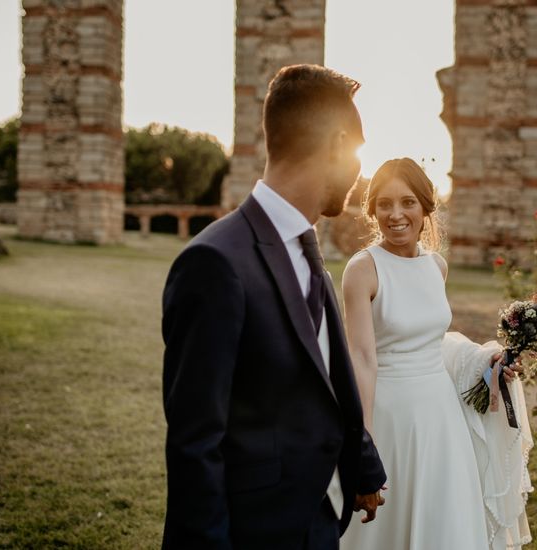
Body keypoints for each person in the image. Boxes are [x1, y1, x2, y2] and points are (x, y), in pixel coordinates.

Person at [161, 64, 385, 550]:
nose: (358, 171)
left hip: (320, 523)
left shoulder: (313, 259)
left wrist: (362, 466)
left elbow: (330, 380)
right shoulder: (214, 264)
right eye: (358, 151)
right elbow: (195, 447)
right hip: (255, 532)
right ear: (336, 143)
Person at [340, 158, 533, 550]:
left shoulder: (437, 266)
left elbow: (434, 341)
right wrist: (365, 444)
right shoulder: (362, 270)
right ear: (372, 209)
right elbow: (361, 358)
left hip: (442, 419)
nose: (395, 215)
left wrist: (484, 363)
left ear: (426, 207)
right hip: (390, 420)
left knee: (444, 523)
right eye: (384, 204)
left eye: (408, 202)